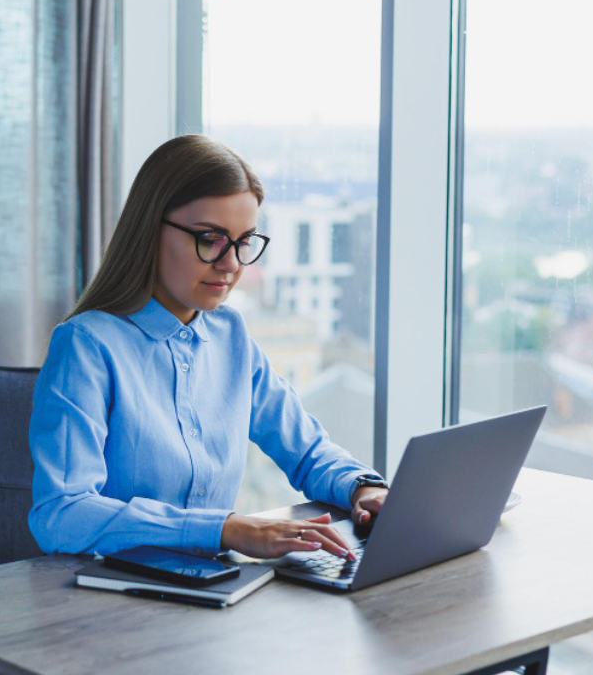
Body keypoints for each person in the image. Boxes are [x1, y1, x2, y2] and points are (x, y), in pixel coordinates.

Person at [28, 135, 388, 561]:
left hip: (215, 590)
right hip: (111, 602)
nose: (231, 264)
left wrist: (363, 487)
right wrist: (225, 529)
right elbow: (62, 513)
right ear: (150, 231)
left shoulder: (230, 336)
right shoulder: (87, 347)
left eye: (243, 242)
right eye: (210, 239)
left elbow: (307, 450)